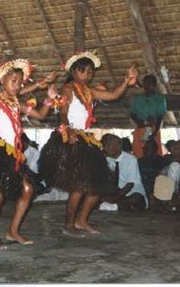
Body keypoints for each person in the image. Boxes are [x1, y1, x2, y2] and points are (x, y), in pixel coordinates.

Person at [39, 52, 138, 237]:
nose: (87, 75)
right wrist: (68, 131)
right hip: (72, 137)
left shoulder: (89, 91)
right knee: (78, 186)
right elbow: (62, 113)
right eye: (83, 71)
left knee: (96, 186)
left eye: (90, 72)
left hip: (86, 139)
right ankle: (68, 224)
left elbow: (114, 95)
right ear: (74, 71)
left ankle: (81, 220)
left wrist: (126, 80)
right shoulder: (68, 89)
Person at [0, 59, 58, 249]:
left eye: (20, 83)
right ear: (2, 80)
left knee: (28, 189)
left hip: (15, 154)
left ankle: (13, 231)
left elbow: (41, 115)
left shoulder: (16, 103)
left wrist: (49, 100)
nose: (17, 86)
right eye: (13, 81)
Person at [101, 134, 148, 211]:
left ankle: (115, 206)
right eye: (104, 145)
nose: (105, 148)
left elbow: (130, 185)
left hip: (132, 192)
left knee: (136, 199)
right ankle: (117, 206)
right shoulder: (107, 159)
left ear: (119, 146)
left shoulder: (130, 159)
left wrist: (114, 199)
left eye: (109, 145)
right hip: (117, 192)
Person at [130, 75, 166, 158]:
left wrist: (155, 132)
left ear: (154, 85)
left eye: (149, 83)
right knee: (139, 153)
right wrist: (139, 122)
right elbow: (132, 113)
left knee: (153, 152)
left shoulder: (160, 99)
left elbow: (160, 116)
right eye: (145, 83)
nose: (147, 85)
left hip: (154, 129)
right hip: (140, 128)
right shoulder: (138, 99)